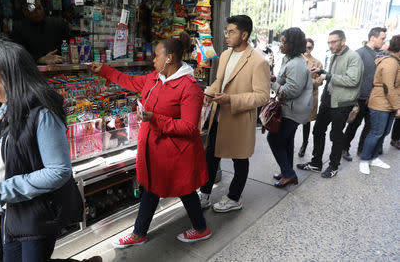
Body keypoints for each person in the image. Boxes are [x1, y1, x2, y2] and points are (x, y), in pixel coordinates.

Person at [0, 38, 100, 262]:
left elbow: (58, 171)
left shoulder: (42, 113)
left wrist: (1, 191)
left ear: (8, 73)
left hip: (37, 212)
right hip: (11, 211)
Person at [88, 31, 211, 247]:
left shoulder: (189, 87)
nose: (153, 60)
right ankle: (139, 233)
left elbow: (190, 127)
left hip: (176, 153)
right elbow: (129, 81)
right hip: (154, 150)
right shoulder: (154, 78)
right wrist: (104, 70)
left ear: (169, 59)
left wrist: (155, 119)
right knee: (152, 188)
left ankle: (201, 229)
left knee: (185, 190)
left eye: (156, 56)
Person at [198, 15, 270, 211]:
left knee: (240, 159)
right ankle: (204, 194)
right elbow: (219, 81)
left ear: (244, 35)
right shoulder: (224, 55)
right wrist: (206, 94)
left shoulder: (258, 62)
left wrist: (232, 100)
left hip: (238, 119)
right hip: (218, 116)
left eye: (231, 32)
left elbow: (262, 96)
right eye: (226, 32)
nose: (226, 36)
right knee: (211, 156)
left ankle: (234, 197)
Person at [297, 30, 363, 178]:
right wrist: (322, 71)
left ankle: (333, 166)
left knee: (336, 136)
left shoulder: (353, 57)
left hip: (342, 103)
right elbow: (333, 76)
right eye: (329, 42)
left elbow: (353, 80)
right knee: (318, 130)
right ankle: (316, 163)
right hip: (328, 99)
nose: (330, 45)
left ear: (343, 41)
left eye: (334, 42)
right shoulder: (334, 55)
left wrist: (328, 75)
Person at [268, 28, 312, 188]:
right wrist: (275, 78)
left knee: (273, 139)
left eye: (283, 42)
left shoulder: (296, 64)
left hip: (292, 110)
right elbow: (284, 80)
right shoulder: (289, 59)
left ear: (292, 44)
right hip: (290, 109)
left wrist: (271, 82)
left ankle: (289, 174)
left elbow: (291, 91)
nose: (280, 44)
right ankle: (286, 170)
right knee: (286, 141)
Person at [342, 27, 387, 161]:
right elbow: (349, 76)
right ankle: (344, 148)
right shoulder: (359, 53)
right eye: (382, 38)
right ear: (373, 38)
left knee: (369, 127)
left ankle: (362, 150)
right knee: (353, 125)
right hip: (359, 98)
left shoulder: (381, 55)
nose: (384, 41)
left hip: (374, 99)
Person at [359, 35, 400, 174]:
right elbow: (388, 87)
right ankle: (364, 160)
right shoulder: (391, 63)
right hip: (381, 103)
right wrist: (397, 107)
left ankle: (374, 157)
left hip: (389, 104)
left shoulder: (395, 61)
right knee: (376, 133)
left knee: (384, 133)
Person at [11, 0, 70, 65]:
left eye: (39, 8)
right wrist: (39, 59)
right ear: (25, 11)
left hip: (58, 66)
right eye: (33, 10)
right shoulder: (18, 28)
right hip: (32, 69)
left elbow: (67, 46)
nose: (38, 12)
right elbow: (17, 54)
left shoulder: (58, 24)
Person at [298, 38, 323, 157]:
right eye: (306, 47)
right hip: (297, 95)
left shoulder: (317, 62)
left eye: (310, 47)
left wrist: (308, 80)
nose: (307, 50)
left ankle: (304, 143)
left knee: (306, 122)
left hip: (310, 95)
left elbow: (320, 81)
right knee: (292, 120)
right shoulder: (297, 59)